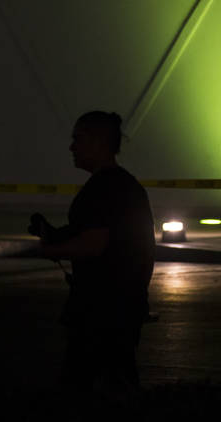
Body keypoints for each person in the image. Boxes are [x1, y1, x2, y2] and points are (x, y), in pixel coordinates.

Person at [30, 110, 156, 412]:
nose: (72, 147)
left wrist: (49, 251)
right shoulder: (125, 186)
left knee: (83, 388)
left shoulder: (102, 189)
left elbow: (93, 244)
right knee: (118, 383)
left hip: (101, 309)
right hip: (123, 305)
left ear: (99, 142)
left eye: (78, 139)